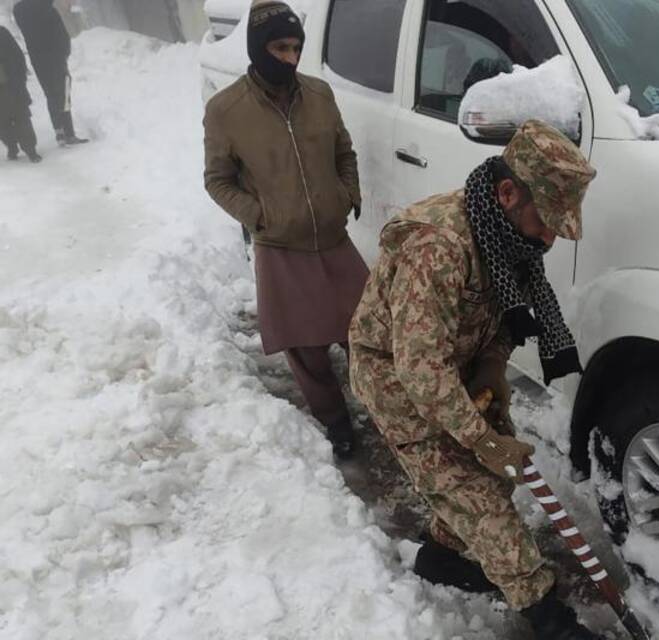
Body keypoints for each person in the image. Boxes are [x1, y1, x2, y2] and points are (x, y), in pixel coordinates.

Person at [349, 120, 601, 639]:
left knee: (494, 476)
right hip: (397, 378)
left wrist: (491, 365)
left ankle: (441, 557)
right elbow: (419, 369)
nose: (550, 237)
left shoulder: (508, 237)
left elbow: (501, 316)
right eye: (546, 220)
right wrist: (481, 438)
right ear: (507, 192)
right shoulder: (438, 245)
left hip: (457, 366)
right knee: (481, 500)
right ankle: (549, 617)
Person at [203, 0, 368, 459]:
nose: (290, 58)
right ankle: (336, 421)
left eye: (296, 48)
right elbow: (217, 180)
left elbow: (344, 153)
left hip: (334, 239)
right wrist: (260, 216)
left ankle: (383, 407)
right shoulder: (226, 110)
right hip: (280, 245)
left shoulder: (319, 95)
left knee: (365, 331)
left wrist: (348, 194)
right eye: (280, 47)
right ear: (259, 48)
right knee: (306, 345)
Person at [12, 0, 87, 145]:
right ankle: (69, 133)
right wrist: (65, 52)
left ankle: (59, 132)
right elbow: (62, 35)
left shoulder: (20, 12)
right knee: (64, 93)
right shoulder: (49, 12)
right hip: (56, 58)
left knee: (50, 94)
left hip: (38, 60)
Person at [0, 25, 40, 162]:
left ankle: (31, 150)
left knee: (22, 117)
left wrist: (20, 77)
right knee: (2, 123)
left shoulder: (2, 33)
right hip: (10, 86)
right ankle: (12, 147)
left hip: (11, 85)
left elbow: (16, 55)